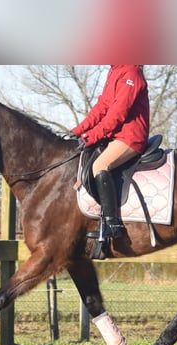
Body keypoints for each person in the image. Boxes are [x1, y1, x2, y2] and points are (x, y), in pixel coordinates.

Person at [70, 65, 150, 239]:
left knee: (100, 165)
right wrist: (78, 130)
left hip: (131, 137)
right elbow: (102, 106)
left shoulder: (132, 73)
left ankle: (113, 224)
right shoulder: (115, 71)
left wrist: (90, 137)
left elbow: (117, 114)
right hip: (116, 136)